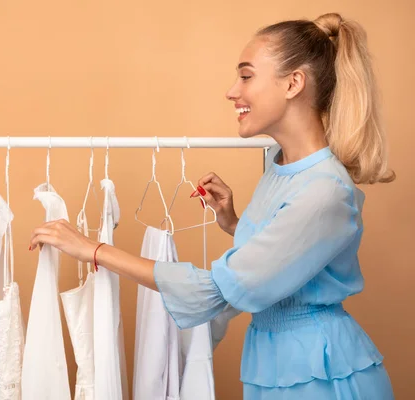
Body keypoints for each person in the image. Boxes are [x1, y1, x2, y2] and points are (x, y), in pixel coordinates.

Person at [29, 12, 395, 399]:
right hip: (276, 361)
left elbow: (219, 290)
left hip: (319, 373)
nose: (232, 91)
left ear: (293, 83)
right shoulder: (280, 163)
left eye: (246, 76)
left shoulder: (326, 189)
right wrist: (236, 223)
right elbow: (288, 257)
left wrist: (95, 250)